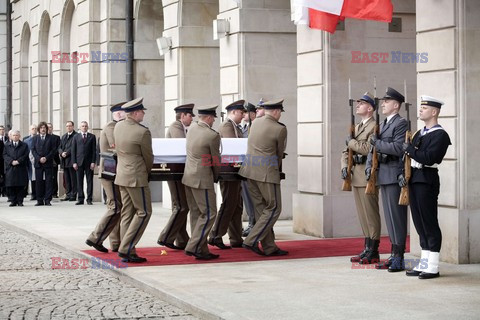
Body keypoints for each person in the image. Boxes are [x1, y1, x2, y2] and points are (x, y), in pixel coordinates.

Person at [400, 95, 451, 279]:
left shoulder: (440, 135)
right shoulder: (419, 134)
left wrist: (409, 149)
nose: (421, 110)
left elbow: (429, 158)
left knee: (429, 223)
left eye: (425, 108)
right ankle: (424, 264)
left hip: (427, 179)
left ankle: (433, 266)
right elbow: (408, 158)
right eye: (421, 107)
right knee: (419, 224)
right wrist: (402, 174)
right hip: (414, 179)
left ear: (434, 112)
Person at [366, 87, 408, 272]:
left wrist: (378, 143)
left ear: (396, 105)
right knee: (390, 219)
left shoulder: (401, 123)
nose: (383, 104)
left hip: (393, 173)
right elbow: (372, 150)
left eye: (387, 101)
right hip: (382, 174)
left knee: (397, 217)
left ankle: (399, 257)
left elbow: (399, 148)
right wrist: (369, 167)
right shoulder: (382, 124)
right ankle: (393, 255)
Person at [240, 99, 288, 256]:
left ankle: (269, 246)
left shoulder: (255, 123)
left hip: (249, 171)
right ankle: (251, 240)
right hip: (266, 172)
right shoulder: (279, 129)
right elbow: (279, 154)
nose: (280, 115)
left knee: (261, 209)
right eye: (280, 112)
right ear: (275, 111)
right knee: (274, 207)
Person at [342, 92, 381, 264]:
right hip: (355, 174)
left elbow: (367, 148)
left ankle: (374, 250)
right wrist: (344, 166)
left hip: (367, 174)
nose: (358, 105)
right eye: (357, 103)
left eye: (362, 103)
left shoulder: (375, 126)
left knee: (371, 214)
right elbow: (345, 152)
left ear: (370, 108)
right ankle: (367, 247)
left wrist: (350, 142)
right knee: (362, 214)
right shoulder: (357, 127)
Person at [114, 97, 153, 263]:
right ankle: (127, 248)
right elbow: (148, 157)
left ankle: (128, 249)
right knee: (144, 212)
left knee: (127, 214)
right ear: (135, 113)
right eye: (142, 111)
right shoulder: (142, 132)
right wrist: (147, 173)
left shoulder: (118, 126)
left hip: (122, 175)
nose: (143, 113)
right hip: (136, 177)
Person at [182, 104, 221, 260]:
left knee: (197, 214)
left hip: (189, 176)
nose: (213, 122)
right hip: (202, 178)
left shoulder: (192, 128)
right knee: (210, 213)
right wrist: (216, 176)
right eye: (213, 119)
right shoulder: (212, 135)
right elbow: (215, 160)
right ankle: (194, 246)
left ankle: (202, 249)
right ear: (210, 118)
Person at [86, 102, 126, 253]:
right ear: (118, 114)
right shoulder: (111, 126)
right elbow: (115, 146)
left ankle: (115, 242)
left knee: (118, 207)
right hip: (109, 173)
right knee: (115, 206)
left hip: (115, 172)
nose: (126, 115)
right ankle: (95, 238)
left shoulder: (118, 127)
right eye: (124, 112)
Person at [208, 100, 245, 249]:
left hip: (236, 170)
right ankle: (215, 235)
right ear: (234, 112)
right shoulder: (227, 126)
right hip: (228, 170)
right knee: (229, 203)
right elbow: (233, 147)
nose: (243, 115)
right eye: (241, 112)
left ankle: (236, 238)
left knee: (237, 205)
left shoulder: (236, 127)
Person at [157, 103, 194, 250]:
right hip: (175, 172)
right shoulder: (176, 127)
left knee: (181, 206)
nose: (191, 118)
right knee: (181, 206)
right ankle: (165, 237)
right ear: (182, 115)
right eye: (190, 115)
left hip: (178, 171)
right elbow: (183, 147)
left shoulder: (182, 127)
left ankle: (182, 240)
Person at [241, 102, 258, 237]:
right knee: (247, 198)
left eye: (246, 112)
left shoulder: (255, 127)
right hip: (244, 167)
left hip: (254, 167)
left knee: (254, 199)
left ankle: (254, 224)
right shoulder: (244, 128)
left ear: (252, 114)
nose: (243, 115)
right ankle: (252, 223)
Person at [31, 121, 56, 206]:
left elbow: (53, 150)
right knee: (39, 182)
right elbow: (33, 150)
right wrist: (39, 158)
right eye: (41, 128)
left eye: (44, 128)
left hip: (48, 162)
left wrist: (46, 158)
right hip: (38, 163)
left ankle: (48, 200)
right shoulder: (35, 138)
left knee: (49, 181)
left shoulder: (51, 138)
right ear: (39, 129)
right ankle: (39, 200)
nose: (43, 129)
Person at [72, 121, 97, 205]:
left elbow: (94, 151)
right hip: (79, 162)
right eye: (83, 126)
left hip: (89, 162)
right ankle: (80, 198)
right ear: (80, 127)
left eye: (86, 126)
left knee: (90, 181)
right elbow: (73, 150)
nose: (84, 127)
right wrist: (74, 162)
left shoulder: (92, 137)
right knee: (79, 181)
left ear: (88, 127)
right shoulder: (76, 137)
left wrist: (93, 162)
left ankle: (89, 199)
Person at [3, 130, 29, 206]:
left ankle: (20, 200)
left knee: (20, 185)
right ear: (11, 136)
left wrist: (18, 161)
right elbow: (5, 155)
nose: (15, 137)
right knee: (11, 185)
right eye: (13, 135)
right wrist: (11, 161)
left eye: (16, 135)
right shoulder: (7, 145)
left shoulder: (24, 145)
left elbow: (25, 155)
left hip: (20, 167)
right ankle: (13, 200)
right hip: (10, 168)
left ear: (19, 136)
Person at [59, 121, 77, 201]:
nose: (68, 127)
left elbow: (74, 147)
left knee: (73, 178)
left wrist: (67, 153)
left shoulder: (76, 136)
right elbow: (59, 147)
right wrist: (61, 153)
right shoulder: (64, 136)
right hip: (64, 160)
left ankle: (73, 194)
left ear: (73, 127)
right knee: (66, 179)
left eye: (70, 126)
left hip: (71, 159)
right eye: (67, 126)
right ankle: (68, 193)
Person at [47, 123, 61, 198]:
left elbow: (58, 147)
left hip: (54, 160)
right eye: (48, 127)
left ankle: (54, 192)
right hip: (45, 160)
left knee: (54, 177)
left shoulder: (56, 137)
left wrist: (51, 154)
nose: (49, 129)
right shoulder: (43, 137)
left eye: (50, 127)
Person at [23, 124, 37, 200]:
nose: (34, 130)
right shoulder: (26, 141)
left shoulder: (39, 138)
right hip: (29, 162)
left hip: (38, 161)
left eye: (35, 128)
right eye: (32, 129)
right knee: (32, 178)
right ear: (30, 130)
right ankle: (33, 194)